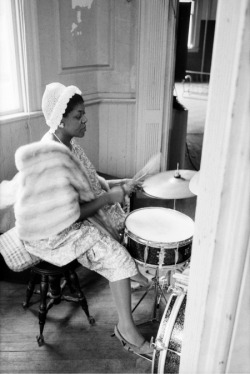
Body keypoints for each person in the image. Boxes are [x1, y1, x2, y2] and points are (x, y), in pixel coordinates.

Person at [22, 82, 153, 355]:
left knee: (122, 223)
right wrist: (107, 199)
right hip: (53, 232)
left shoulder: (70, 144)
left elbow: (91, 181)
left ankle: (132, 274)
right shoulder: (52, 158)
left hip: (69, 217)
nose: (85, 120)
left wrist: (120, 183)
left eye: (84, 113)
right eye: (78, 115)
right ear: (60, 120)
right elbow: (68, 215)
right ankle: (126, 329)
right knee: (116, 254)